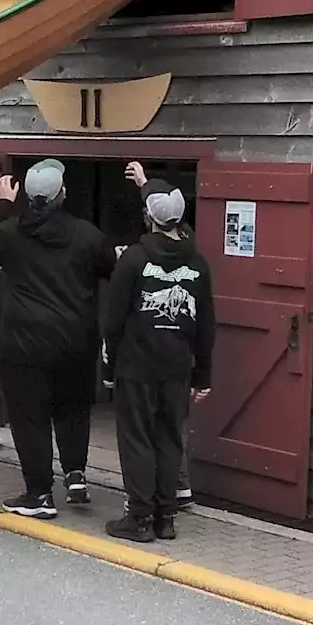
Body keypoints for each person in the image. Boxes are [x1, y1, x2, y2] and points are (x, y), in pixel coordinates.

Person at [0, 159, 116, 518]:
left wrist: (3, 204)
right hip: (75, 340)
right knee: (73, 410)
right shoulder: (88, 235)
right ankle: (76, 475)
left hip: (23, 343)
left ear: (26, 195)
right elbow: (110, 268)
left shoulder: (10, 234)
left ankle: (40, 494)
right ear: (63, 195)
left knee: (31, 418)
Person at [101, 179, 215, 544]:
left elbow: (113, 319)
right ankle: (166, 517)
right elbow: (206, 323)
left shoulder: (133, 258)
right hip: (178, 365)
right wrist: (203, 376)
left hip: (136, 365)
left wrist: (109, 368)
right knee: (169, 439)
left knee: (137, 439)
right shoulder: (198, 263)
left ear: (148, 218)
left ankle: (139, 517)